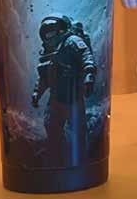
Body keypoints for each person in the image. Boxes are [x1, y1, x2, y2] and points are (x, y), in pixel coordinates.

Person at [32, 15, 96, 165]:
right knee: (52, 128)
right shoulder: (49, 51)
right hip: (56, 98)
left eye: (51, 32)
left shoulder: (72, 41)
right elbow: (44, 78)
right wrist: (37, 93)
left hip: (73, 96)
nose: (49, 37)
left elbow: (86, 55)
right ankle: (56, 159)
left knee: (78, 130)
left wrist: (89, 74)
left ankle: (81, 159)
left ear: (60, 29)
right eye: (46, 34)